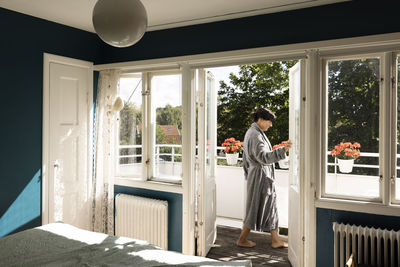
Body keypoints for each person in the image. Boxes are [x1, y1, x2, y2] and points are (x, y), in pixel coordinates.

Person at [236, 107, 292, 249]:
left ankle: (275, 239)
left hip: (259, 175)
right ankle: (242, 239)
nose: (271, 125)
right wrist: (282, 150)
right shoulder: (255, 135)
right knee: (255, 207)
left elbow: (246, 159)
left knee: (269, 206)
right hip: (260, 176)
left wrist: (248, 174)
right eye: (269, 121)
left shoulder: (254, 132)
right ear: (260, 119)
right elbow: (263, 157)